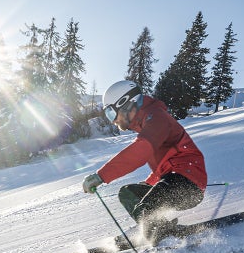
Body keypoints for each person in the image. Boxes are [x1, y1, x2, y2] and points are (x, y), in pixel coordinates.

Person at [82, 80, 207, 244]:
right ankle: (156, 228)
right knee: (128, 193)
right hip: (173, 179)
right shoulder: (147, 124)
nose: (113, 121)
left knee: (146, 208)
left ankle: (165, 241)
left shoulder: (157, 119)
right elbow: (163, 168)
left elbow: (141, 151)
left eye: (112, 113)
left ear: (126, 104)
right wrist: (149, 184)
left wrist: (102, 176)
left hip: (188, 184)